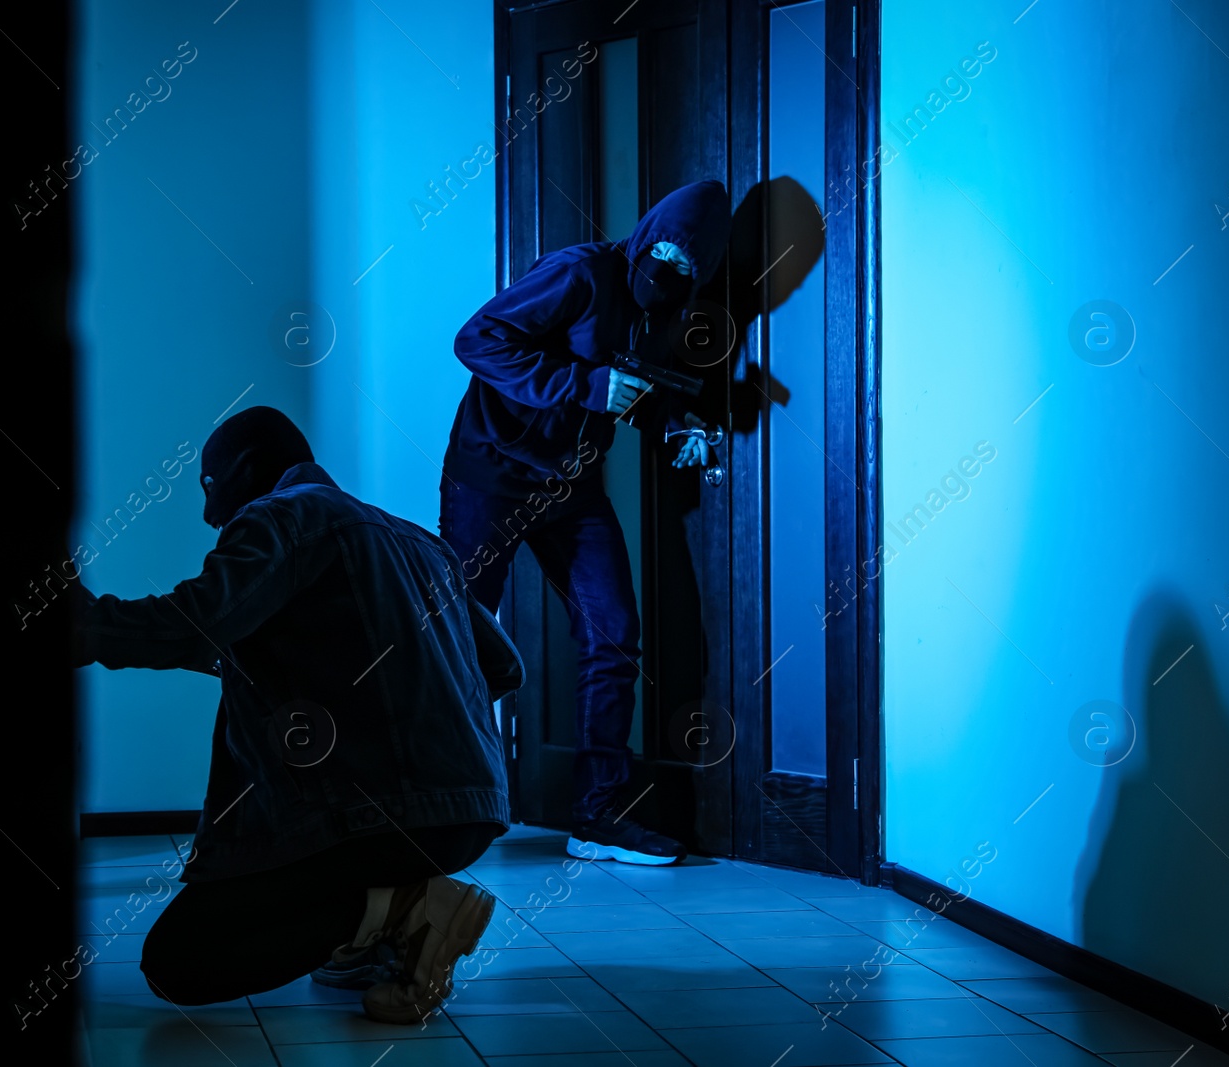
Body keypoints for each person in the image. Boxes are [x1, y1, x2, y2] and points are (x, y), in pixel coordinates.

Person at [69, 405, 525, 1023]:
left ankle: (405, 907)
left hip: (372, 818)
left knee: (181, 960)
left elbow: (193, 622)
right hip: (467, 816)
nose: (210, 515)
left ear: (250, 468)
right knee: (315, 943)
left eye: (210, 487)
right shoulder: (421, 542)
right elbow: (504, 668)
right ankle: (385, 928)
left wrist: (81, 625)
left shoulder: (283, 516)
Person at [439, 179, 732, 865]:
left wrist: (669, 421)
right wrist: (581, 385)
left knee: (615, 634)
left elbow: (631, 380)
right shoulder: (577, 272)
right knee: (461, 640)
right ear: (645, 234)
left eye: (687, 265)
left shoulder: (669, 307)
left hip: (571, 487)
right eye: (662, 251)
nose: (669, 269)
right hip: (490, 476)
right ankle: (441, 804)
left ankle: (596, 816)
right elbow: (476, 339)